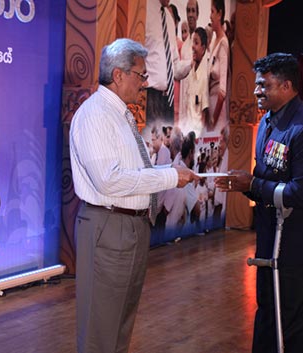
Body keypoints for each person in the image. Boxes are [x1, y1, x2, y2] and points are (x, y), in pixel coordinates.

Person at [69, 38, 198, 353]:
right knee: (101, 326)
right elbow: (108, 182)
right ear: (118, 75)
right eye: (141, 75)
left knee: (120, 322)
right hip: (109, 224)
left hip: (129, 226)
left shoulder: (119, 115)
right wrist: (169, 176)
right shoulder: (95, 115)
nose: (146, 83)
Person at [215, 53, 303, 353]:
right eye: (258, 84)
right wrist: (245, 186)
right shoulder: (270, 121)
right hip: (272, 240)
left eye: (264, 85)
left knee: (295, 327)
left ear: (286, 86)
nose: (257, 91)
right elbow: (268, 178)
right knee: (269, 316)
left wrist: (254, 184)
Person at [145, 0, 190, 124]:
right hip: (150, 96)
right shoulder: (144, 12)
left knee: (167, 143)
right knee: (149, 141)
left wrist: (192, 63)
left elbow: (175, 67)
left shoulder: (169, 20)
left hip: (168, 98)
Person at [178, 27, 209, 136]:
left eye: (196, 43)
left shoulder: (205, 77)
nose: (192, 46)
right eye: (192, 42)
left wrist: (200, 139)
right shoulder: (190, 73)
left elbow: (205, 115)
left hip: (197, 137)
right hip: (186, 133)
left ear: (203, 48)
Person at [207, 0, 230, 134]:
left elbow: (222, 91)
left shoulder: (223, 44)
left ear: (220, 14)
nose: (210, 16)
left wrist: (213, 121)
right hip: (209, 108)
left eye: (212, 12)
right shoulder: (213, 42)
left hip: (217, 114)